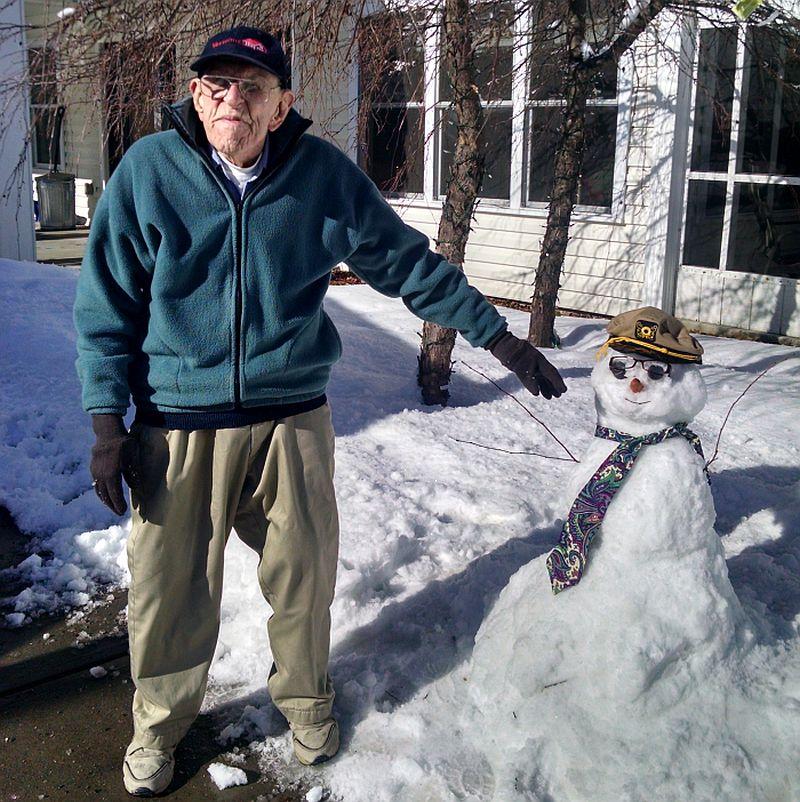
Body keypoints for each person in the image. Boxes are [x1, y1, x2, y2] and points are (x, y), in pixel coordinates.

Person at [73, 26, 566, 797]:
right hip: (178, 423)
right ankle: (158, 728)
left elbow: (404, 263)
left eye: (252, 87)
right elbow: (106, 304)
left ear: (282, 105)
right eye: (216, 85)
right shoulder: (149, 172)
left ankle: (305, 705)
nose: (232, 99)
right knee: (170, 593)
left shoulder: (321, 177)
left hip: (291, 418)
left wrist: (498, 339)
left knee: (304, 580)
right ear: (197, 96)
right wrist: (109, 427)